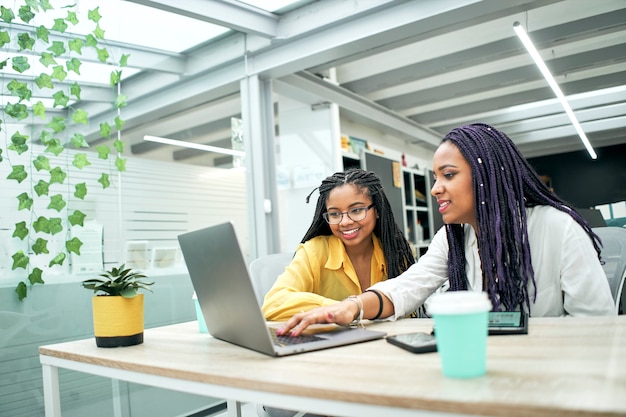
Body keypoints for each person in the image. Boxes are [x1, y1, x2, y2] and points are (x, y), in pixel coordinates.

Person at [277, 123, 615, 337]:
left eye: (448, 175)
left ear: (487, 176)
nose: (436, 188)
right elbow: (408, 286)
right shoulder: (453, 236)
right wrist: (351, 307)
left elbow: (598, 330)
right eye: (435, 177)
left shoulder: (558, 228)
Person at [262, 168, 415, 321]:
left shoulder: (395, 251)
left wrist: (353, 308)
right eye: (335, 214)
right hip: (332, 342)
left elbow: (409, 306)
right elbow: (273, 304)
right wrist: (342, 309)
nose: (345, 222)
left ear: (377, 210)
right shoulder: (314, 251)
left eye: (356, 210)